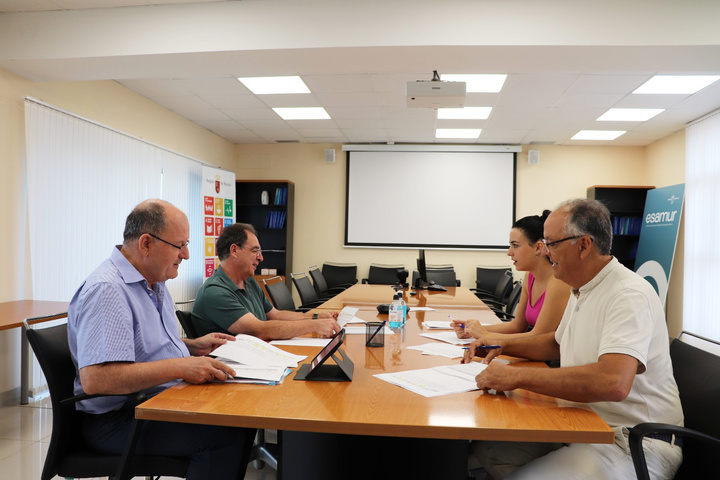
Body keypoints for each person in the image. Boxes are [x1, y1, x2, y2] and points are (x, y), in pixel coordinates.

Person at [464, 198, 683, 480]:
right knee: (492, 453)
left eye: (551, 243)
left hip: (632, 441)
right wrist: (500, 343)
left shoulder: (628, 294)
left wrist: (514, 376)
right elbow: (555, 343)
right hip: (583, 423)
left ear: (583, 245)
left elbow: (613, 382)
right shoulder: (581, 288)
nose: (544, 250)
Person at [68, 199, 254, 480]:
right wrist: (181, 367)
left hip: (152, 399)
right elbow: (97, 380)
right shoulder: (107, 290)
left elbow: (144, 348)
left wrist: (191, 347)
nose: (187, 254)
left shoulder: (155, 281)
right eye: (180, 245)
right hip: (115, 419)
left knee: (237, 412)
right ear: (146, 244)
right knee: (225, 431)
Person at [192, 223, 341, 340]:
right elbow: (259, 330)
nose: (261, 258)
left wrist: (316, 317)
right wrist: (314, 325)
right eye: (255, 251)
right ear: (234, 250)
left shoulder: (249, 281)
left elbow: (276, 315)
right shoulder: (215, 292)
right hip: (231, 372)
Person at [452, 210, 571, 343]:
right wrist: (472, 330)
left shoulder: (558, 282)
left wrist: (485, 335)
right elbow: (517, 326)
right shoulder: (530, 276)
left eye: (515, 245)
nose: (509, 252)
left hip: (550, 361)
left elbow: (539, 337)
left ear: (538, 247)